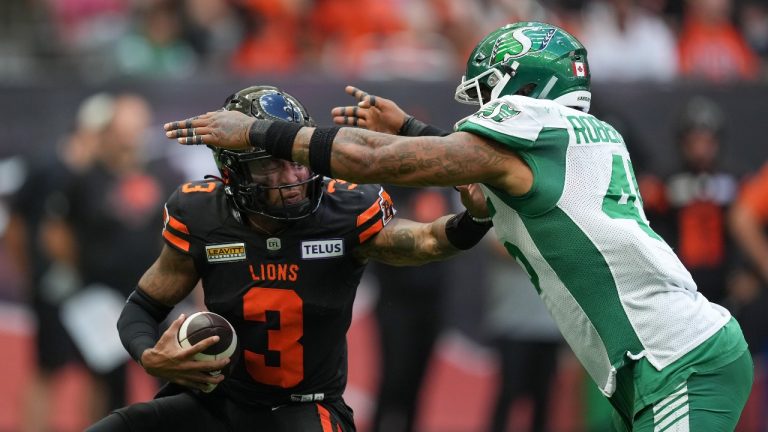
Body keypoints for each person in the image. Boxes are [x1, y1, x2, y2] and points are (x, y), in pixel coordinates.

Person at [165, 22, 754, 431]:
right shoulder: (587, 136)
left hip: (675, 357)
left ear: (526, 87)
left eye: (487, 92)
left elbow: (373, 162)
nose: (479, 108)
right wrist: (420, 130)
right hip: (660, 357)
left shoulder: (536, 125)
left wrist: (258, 134)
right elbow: (487, 167)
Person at [87, 85, 490, 431]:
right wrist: (150, 355)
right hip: (219, 403)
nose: (291, 177)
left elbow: (428, 242)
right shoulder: (202, 215)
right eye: (268, 166)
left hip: (306, 409)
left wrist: (476, 217)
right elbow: (140, 307)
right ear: (232, 172)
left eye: (296, 159)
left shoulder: (344, 209)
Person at [5, 92, 116, 431]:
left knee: (101, 370)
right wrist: (33, 272)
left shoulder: (107, 175)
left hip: (97, 287)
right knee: (47, 368)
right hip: (57, 286)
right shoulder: (47, 168)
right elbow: (18, 227)